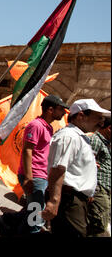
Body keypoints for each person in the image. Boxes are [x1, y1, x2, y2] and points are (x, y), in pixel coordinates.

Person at [0, 95, 68, 236]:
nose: (64, 113)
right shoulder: (36, 125)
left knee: (32, 209)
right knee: (36, 216)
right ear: (50, 110)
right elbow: (27, 150)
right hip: (34, 176)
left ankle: (5, 220)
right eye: (61, 109)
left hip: (41, 175)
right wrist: (28, 178)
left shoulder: (48, 127)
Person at [42, 99, 110, 237]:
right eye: (98, 118)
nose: (101, 123)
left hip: (77, 199)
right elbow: (58, 169)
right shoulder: (69, 136)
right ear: (81, 116)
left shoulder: (80, 137)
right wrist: (54, 201)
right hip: (70, 199)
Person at [87, 115, 111, 236]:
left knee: (102, 222)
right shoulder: (96, 140)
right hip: (98, 188)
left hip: (105, 189)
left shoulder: (107, 143)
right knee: (98, 223)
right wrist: (91, 191)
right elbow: (89, 165)